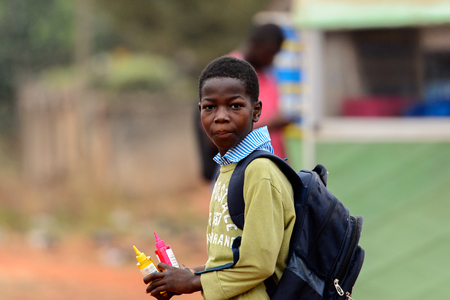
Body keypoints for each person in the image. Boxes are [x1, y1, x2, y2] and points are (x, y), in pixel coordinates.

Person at [144, 56, 296, 299]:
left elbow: (258, 265)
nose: (221, 116)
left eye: (235, 106)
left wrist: (193, 283)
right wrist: (185, 276)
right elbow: (229, 259)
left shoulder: (259, 172)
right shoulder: (228, 168)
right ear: (200, 111)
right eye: (210, 107)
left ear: (256, 110)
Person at [230, 23, 294, 159]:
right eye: (270, 52)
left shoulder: (269, 76)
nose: (272, 59)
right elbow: (224, 133)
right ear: (255, 44)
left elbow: (278, 138)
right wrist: (269, 125)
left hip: (272, 164)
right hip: (243, 168)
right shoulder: (229, 72)